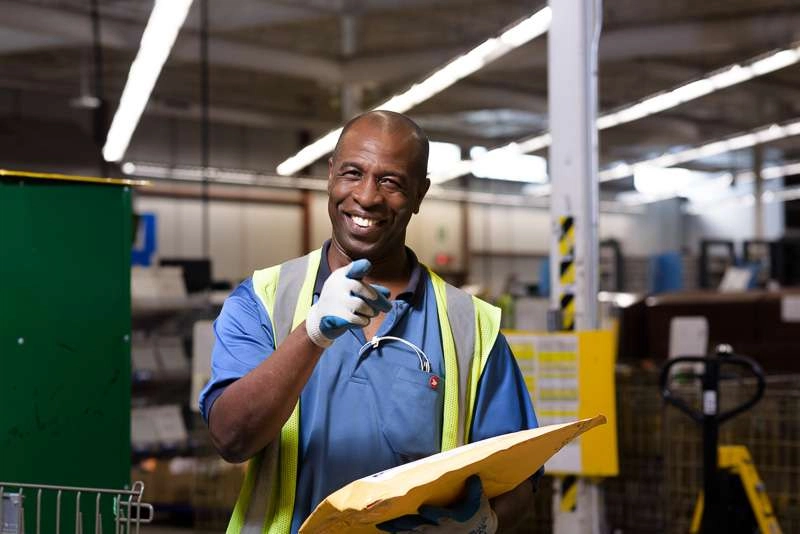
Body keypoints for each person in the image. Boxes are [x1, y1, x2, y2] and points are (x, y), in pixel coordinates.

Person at [199, 110, 539, 533]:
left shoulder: (471, 325)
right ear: (330, 176)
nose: (367, 196)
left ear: (420, 194)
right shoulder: (263, 300)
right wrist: (311, 333)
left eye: (391, 181)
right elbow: (232, 439)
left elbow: (518, 479)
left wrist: (482, 526)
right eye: (353, 173)